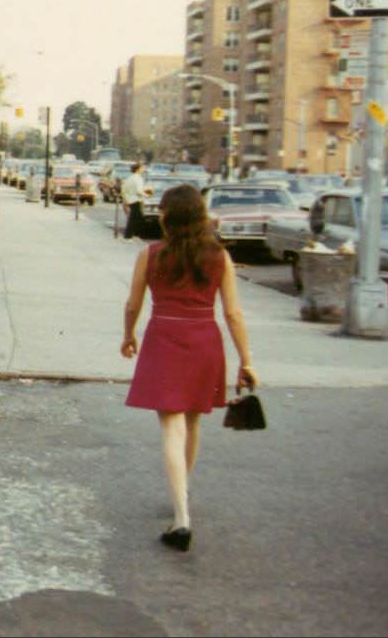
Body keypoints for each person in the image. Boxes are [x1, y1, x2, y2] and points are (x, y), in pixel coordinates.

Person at [120, 185, 257, 553]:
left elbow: (133, 304)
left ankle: (181, 518)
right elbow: (232, 313)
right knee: (193, 421)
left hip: (165, 335)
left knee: (171, 425)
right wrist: (246, 359)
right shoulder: (219, 256)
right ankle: (181, 494)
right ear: (200, 217)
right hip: (203, 340)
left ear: (166, 217)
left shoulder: (150, 255)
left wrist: (128, 335)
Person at [121, 161, 150, 241]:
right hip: (137, 200)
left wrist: (126, 198)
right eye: (142, 168)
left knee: (135, 217)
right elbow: (139, 191)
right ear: (138, 169)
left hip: (130, 200)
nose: (143, 170)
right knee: (136, 218)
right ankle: (129, 235)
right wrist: (147, 195)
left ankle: (132, 235)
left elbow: (124, 189)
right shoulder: (138, 178)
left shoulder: (130, 178)